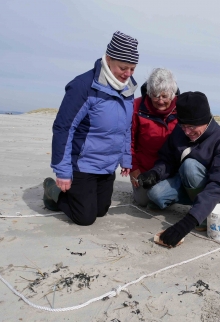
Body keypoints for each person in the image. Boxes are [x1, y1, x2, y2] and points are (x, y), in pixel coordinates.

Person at [42, 31, 139, 226]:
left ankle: (79, 197)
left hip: (107, 165)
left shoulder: (128, 90)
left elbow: (126, 127)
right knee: (85, 218)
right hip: (82, 163)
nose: (127, 74)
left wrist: (126, 158)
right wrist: (62, 171)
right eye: (123, 67)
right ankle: (52, 191)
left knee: (101, 211)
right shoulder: (84, 86)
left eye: (132, 69)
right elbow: (63, 128)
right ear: (109, 59)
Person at [137, 91, 220, 247]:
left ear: (205, 120)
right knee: (155, 195)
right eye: (183, 126)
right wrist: (155, 173)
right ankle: (192, 203)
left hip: (210, 189)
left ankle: (202, 214)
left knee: (190, 166)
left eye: (191, 127)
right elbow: (167, 159)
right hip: (183, 181)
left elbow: (218, 184)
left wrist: (187, 223)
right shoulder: (179, 130)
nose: (187, 132)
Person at [129, 68, 179, 207]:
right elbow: (128, 141)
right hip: (145, 167)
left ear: (173, 94)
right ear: (149, 93)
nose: (160, 101)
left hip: (172, 168)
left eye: (165, 96)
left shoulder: (182, 107)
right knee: (143, 201)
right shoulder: (136, 107)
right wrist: (133, 167)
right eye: (155, 95)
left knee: (157, 196)